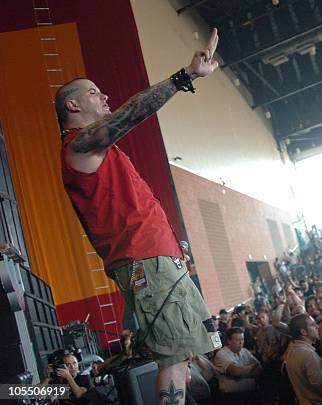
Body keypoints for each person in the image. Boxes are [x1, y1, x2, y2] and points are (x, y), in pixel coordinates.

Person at [55, 28, 221, 405]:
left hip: (161, 260)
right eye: (94, 92)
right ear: (73, 107)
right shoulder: (78, 147)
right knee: (175, 358)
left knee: (184, 354)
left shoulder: (100, 151)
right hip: (147, 263)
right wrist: (186, 76)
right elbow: (132, 113)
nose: (105, 95)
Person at [284, 313, 322, 405]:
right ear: (304, 332)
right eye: (313, 325)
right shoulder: (308, 355)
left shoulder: (291, 350)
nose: (317, 326)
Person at [214, 327, 263, 404]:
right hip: (232, 398)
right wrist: (251, 367)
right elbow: (235, 372)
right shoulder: (221, 354)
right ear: (229, 341)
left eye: (242, 339)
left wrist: (242, 372)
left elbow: (259, 369)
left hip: (251, 395)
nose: (241, 342)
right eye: (237, 340)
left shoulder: (245, 351)